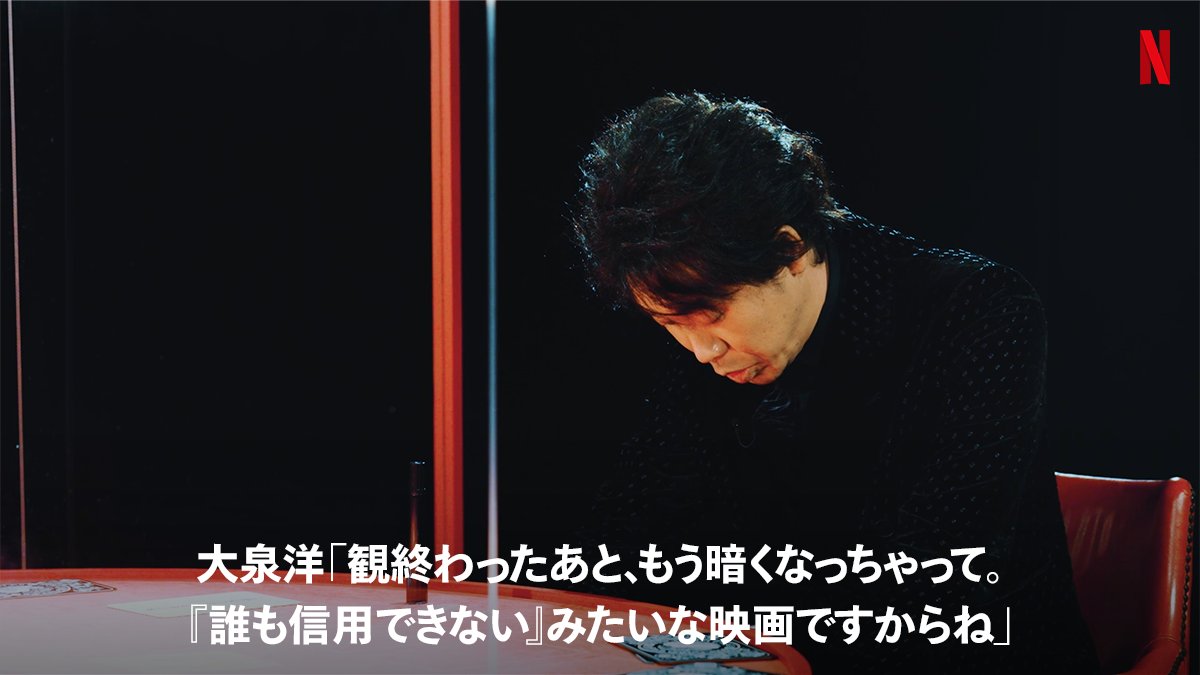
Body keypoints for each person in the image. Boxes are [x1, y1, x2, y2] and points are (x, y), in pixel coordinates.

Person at [570, 92, 1100, 674]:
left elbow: (939, 579)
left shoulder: (978, 311)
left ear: (790, 248)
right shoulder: (703, 330)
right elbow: (619, 540)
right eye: (669, 324)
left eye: (712, 315)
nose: (702, 351)